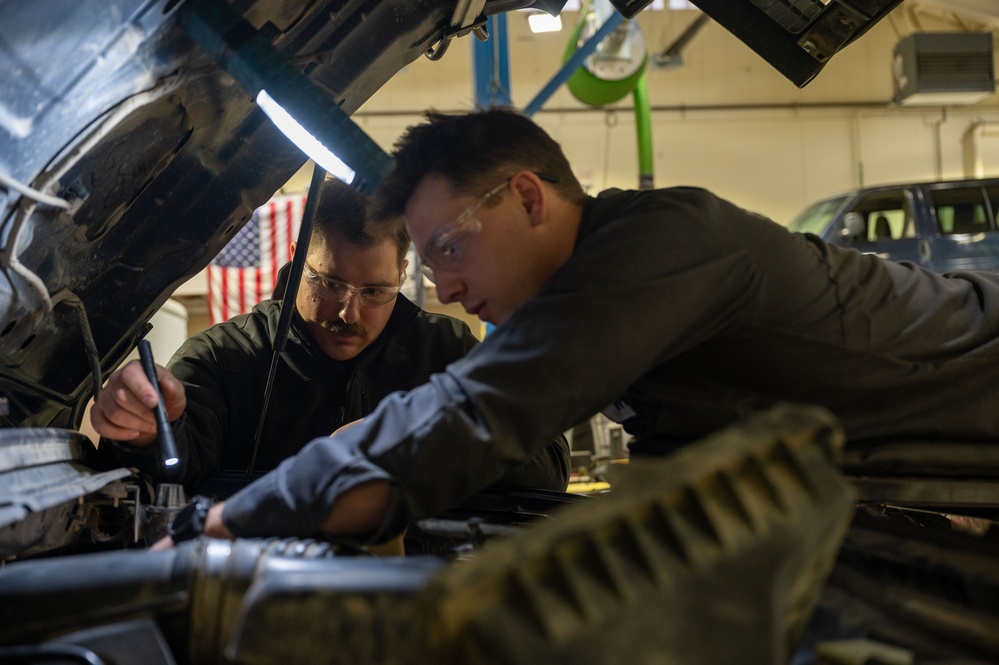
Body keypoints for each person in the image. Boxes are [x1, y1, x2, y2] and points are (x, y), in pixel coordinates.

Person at [188, 106, 999, 543]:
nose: (445, 285)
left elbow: (480, 412)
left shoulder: (662, 246)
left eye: (448, 246)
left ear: (528, 198)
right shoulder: (617, 308)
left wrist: (235, 516)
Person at [87, 176, 570, 499]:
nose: (348, 311)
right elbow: (159, 477)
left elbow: (548, 467)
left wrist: (419, 437)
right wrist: (147, 434)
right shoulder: (223, 358)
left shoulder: (446, 351)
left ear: (403, 273)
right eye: (329, 282)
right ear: (297, 258)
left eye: (376, 291)